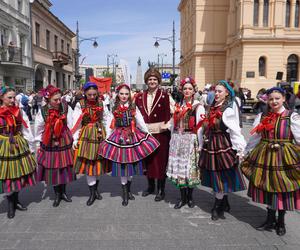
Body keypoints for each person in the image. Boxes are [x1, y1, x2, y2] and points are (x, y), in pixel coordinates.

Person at [241, 87, 300, 236]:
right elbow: (255, 137)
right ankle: (269, 219)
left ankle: (280, 221)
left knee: (282, 187)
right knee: (268, 185)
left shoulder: (291, 116)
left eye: (277, 98)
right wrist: (245, 152)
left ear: (284, 99)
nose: (274, 101)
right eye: (271, 99)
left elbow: (299, 138)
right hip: (266, 154)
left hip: (284, 157)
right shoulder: (262, 116)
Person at [98, 84, 159, 206]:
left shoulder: (133, 107)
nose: (124, 96)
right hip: (119, 137)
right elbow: (111, 123)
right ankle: (125, 194)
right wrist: (106, 138)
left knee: (131, 166)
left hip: (131, 136)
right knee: (122, 166)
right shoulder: (114, 107)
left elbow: (140, 121)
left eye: (126, 94)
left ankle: (129, 190)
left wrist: (148, 134)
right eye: (121, 94)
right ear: (118, 94)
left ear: (129, 95)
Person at [198, 80, 247, 220]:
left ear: (227, 93)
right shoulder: (212, 107)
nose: (217, 94)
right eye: (216, 91)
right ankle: (224, 202)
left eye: (220, 91)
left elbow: (235, 130)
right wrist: (201, 143)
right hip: (211, 144)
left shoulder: (228, 109)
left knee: (221, 176)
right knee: (216, 175)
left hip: (222, 144)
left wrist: (240, 149)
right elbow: (203, 127)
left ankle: (217, 206)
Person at [135, 67, 174, 202]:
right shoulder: (140, 96)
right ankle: (150, 186)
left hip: (161, 134)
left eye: (155, 79)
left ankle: (161, 189)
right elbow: (136, 115)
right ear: (146, 81)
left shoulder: (165, 95)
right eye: (150, 79)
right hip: (145, 134)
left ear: (158, 81)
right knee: (149, 161)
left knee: (161, 161)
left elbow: (173, 113)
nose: (152, 81)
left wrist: (168, 125)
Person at [166, 77, 204, 209]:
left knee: (190, 169)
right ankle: (182, 198)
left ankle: (190, 197)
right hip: (178, 140)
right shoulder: (178, 105)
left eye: (190, 88)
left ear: (194, 91)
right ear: (181, 90)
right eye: (185, 88)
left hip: (190, 140)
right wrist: (172, 138)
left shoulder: (198, 106)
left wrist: (201, 145)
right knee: (180, 169)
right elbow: (173, 124)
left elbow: (200, 128)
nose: (187, 91)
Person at [35, 84, 75, 207]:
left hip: (63, 139)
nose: (58, 101)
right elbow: (38, 128)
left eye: (59, 98)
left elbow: (70, 122)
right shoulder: (43, 111)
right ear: (48, 99)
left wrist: (72, 137)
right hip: (50, 141)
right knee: (54, 168)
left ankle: (64, 192)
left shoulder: (65, 106)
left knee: (64, 166)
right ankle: (57, 194)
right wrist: (38, 143)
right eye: (55, 100)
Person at [0, 86, 37, 218]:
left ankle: (16, 200)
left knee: (18, 174)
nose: (12, 100)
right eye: (9, 97)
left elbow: (26, 128)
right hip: (4, 145)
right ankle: (11, 204)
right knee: (8, 176)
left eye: (13, 97)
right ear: (2, 98)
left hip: (18, 143)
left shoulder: (18, 111)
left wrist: (31, 146)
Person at [72, 82, 111, 206]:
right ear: (85, 93)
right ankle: (92, 193)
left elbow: (106, 119)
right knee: (89, 165)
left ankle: (96, 190)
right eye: (90, 95)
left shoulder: (102, 103)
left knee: (99, 164)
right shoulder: (80, 104)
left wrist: (108, 136)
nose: (92, 97)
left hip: (100, 134)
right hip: (86, 135)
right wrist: (74, 139)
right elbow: (76, 122)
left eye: (94, 94)